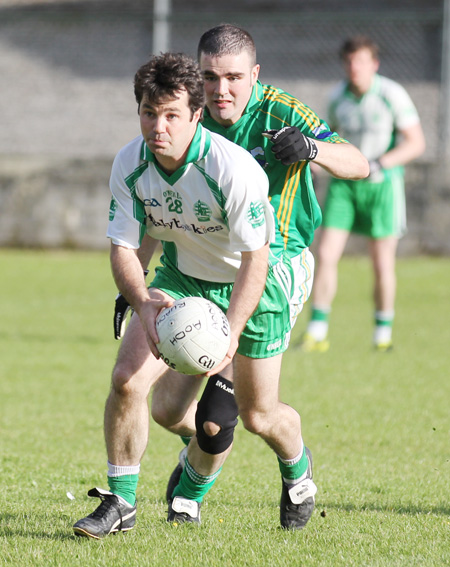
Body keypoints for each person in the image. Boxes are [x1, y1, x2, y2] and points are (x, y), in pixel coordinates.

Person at [107, 24, 369, 535]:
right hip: (197, 271)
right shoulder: (185, 117)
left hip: (269, 271)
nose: (220, 89)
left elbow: (358, 164)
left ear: (254, 76)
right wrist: (133, 284)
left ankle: (292, 475)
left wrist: (312, 150)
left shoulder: (281, 113)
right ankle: (203, 454)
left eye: (232, 78)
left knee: (249, 415)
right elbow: (169, 209)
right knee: (164, 409)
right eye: (209, 77)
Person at [73, 51, 318, 539]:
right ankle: (120, 503)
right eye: (148, 112)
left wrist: (229, 337)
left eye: (170, 115)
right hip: (184, 277)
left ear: (195, 115)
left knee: (256, 415)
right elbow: (123, 245)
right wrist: (141, 298)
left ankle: (297, 468)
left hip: (256, 283)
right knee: (133, 386)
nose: (157, 126)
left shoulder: (233, 169)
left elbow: (256, 259)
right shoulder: (130, 162)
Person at [301, 35, 426, 352]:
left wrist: (380, 163)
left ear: (374, 64)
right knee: (326, 254)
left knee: (382, 263)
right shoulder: (336, 97)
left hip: (382, 187)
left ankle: (382, 335)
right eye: (350, 61)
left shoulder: (391, 94)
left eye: (361, 61)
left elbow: (415, 143)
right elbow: (327, 141)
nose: (355, 67)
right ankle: (317, 331)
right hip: (344, 186)